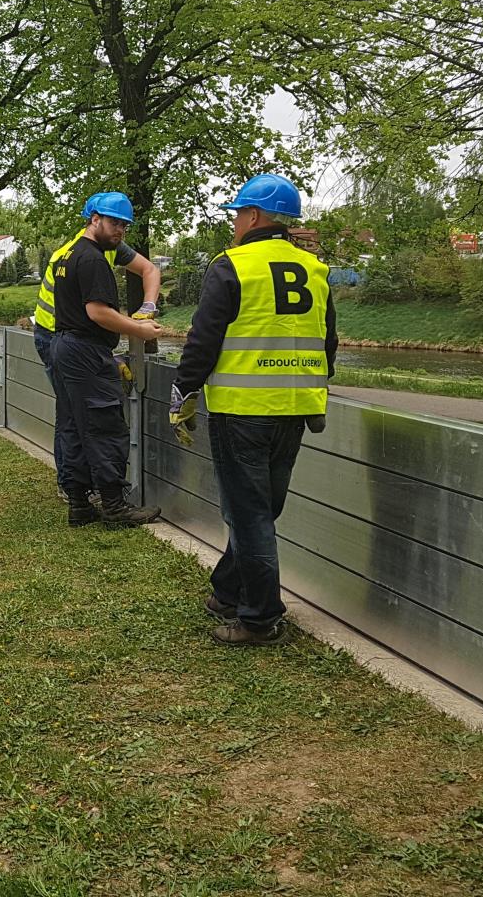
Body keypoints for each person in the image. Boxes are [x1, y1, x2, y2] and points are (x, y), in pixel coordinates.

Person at [171, 174, 337, 646]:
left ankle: (261, 618)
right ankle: (228, 591)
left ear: (253, 216)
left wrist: (183, 391)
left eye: (238, 214)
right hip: (298, 407)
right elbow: (328, 342)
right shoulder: (315, 269)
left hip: (243, 409)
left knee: (249, 515)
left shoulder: (231, 265)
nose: (235, 223)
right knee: (261, 509)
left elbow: (204, 338)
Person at [33, 193, 162, 524]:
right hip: (84, 351)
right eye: (114, 222)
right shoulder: (93, 260)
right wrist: (139, 328)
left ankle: (79, 504)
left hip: (64, 345)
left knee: (74, 424)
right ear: (94, 219)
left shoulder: (70, 254)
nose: (120, 230)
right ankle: (115, 506)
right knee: (105, 425)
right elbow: (98, 313)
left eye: (124, 225)